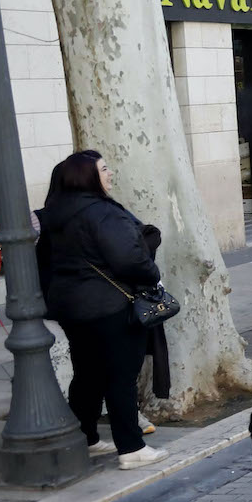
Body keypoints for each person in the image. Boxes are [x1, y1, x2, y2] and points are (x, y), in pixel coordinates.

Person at [36, 150, 164, 468]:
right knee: (120, 376)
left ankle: (87, 438)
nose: (110, 174)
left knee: (88, 374)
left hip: (71, 309)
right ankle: (132, 449)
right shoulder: (103, 213)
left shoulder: (53, 214)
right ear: (88, 177)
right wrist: (152, 273)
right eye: (104, 169)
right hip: (111, 306)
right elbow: (130, 260)